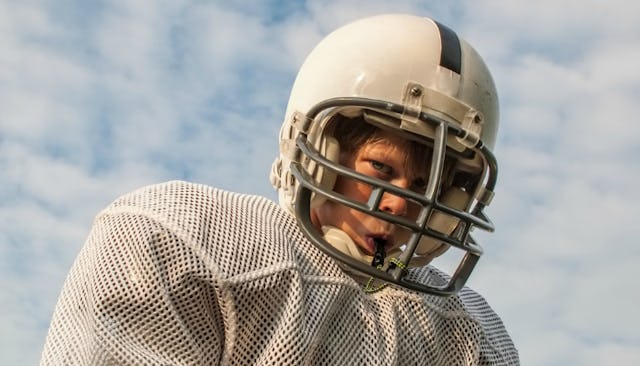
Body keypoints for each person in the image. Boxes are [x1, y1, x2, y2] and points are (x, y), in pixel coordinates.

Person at [41, 14, 519, 365]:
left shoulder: (468, 334)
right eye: (380, 167)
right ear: (318, 148)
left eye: (425, 185)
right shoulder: (187, 242)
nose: (402, 204)